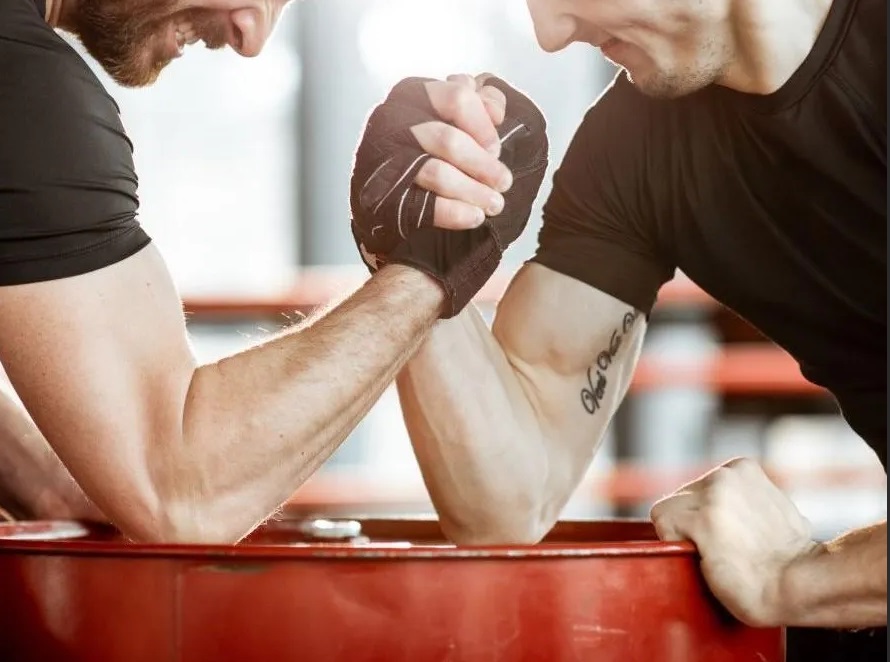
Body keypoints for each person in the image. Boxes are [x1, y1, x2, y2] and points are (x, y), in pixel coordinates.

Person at [346, 0, 886, 658]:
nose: (550, 36)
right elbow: (510, 502)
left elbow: (794, 584)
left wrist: (800, 581)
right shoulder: (637, 146)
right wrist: (417, 261)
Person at [0, 0, 528, 541]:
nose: (252, 36)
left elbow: (93, 485)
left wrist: (60, 485)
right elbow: (179, 493)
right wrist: (429, 264)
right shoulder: (22, 88)